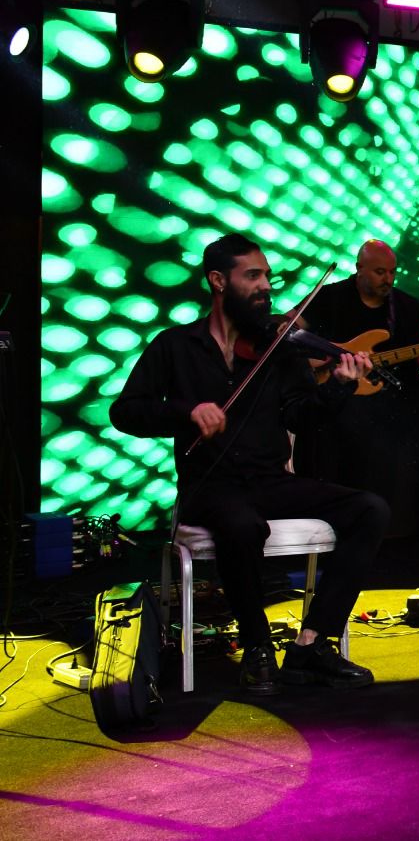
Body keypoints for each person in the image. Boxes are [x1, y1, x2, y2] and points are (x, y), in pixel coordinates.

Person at [110, 234, 390, 695]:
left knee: (370, 509)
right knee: (241, 525)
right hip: (210, 486)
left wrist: (340, 386)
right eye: (253, 276)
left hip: (270, 482)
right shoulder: (175, 345)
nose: (265, 286)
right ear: (218, 281)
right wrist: (186, 412)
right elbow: (125, 412)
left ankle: (311, 644)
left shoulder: (278, 349)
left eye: (267, 277)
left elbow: (301, 417)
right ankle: (258, 645)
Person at [294, 240, 419, 554]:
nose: (387, 279)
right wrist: (319, 361)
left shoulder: (405, 306)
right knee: (348, 434)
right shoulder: (331, 297)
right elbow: (291, 330)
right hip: (347, 392)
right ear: (359, 269)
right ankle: (352, 532)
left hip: (400, 392)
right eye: (379, 272)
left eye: (392, 272)